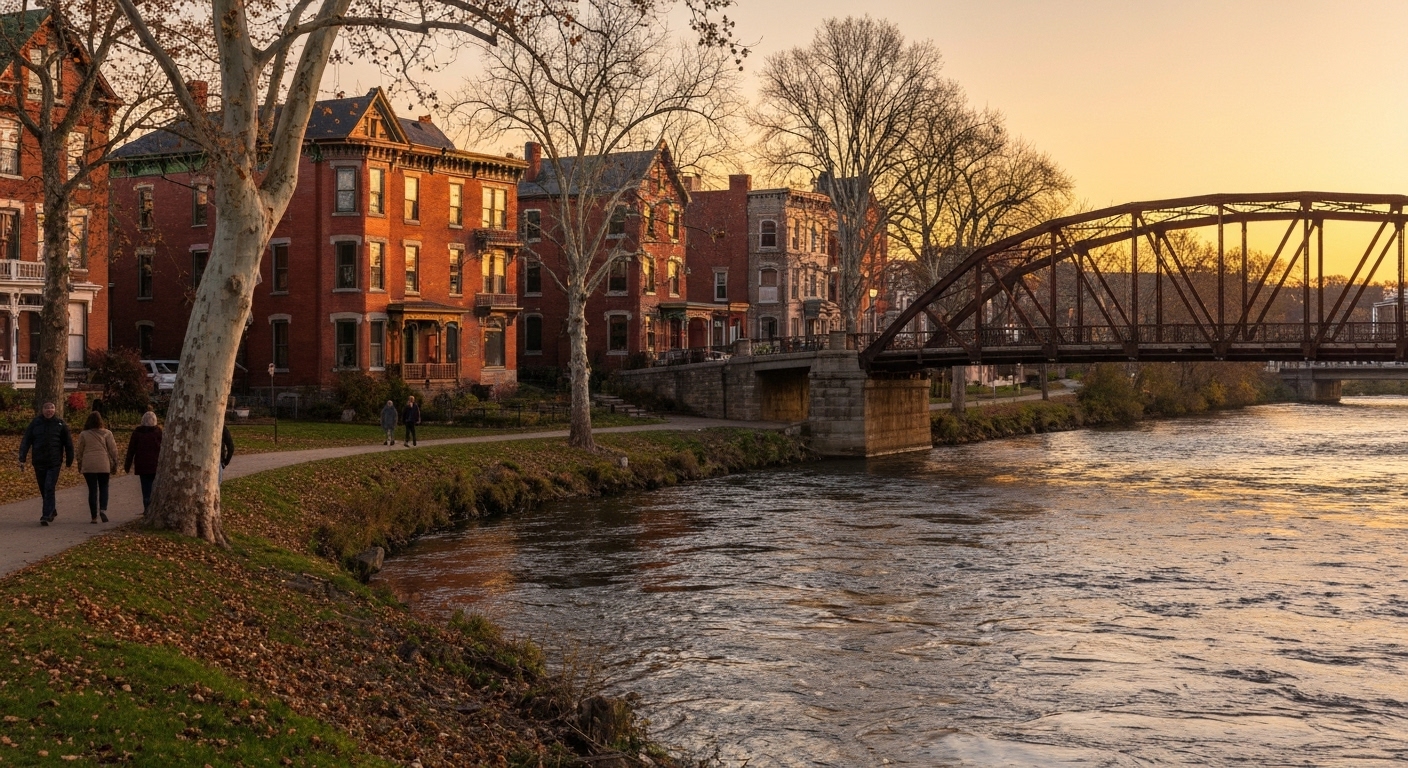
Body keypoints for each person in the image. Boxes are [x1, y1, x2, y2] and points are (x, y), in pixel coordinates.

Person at [18, 402, 74, 526]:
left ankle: (46, 515)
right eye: (46, 408)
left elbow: (68, 443)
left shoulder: (60, 424)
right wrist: (22, 457)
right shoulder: (35, 423)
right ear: (42, 410)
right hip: (38, 462)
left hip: (54, 462)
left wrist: (69, 459)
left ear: (55, 410)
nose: (49, 410)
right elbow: (26, 440)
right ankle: (51, 509)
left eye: (52, 408)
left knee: (49, 487)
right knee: (43, 488)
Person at [75, 411, 119, 523]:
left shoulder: (84, 434)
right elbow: (113, 450)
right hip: (103, 464)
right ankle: (103, 509)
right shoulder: (107, 433)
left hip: (89, 464)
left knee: (92, 490)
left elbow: (79, 451)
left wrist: (80, 463)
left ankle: (93, 516)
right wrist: (115, 461)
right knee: (104, 487)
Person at [123, 411, 162, 511]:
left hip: (142, 465)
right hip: (155, 464)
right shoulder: (158, 432)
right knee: (155, 486)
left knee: (145, 487)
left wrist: (127, 465)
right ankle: (154, 507)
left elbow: (131, 450)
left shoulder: (137, 433)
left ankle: (146, 506)